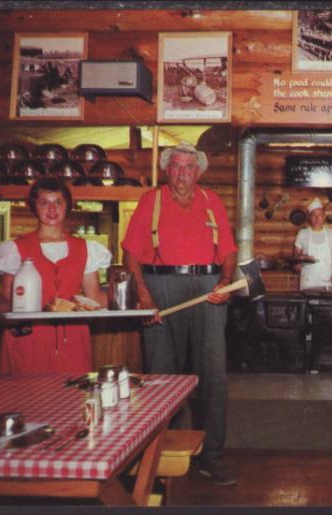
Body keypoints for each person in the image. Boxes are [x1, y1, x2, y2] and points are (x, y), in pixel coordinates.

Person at [122, 141, 238, 486]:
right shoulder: (150, 201)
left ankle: (211, 456)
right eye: (175, 166)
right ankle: (159, 457)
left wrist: (226, 281)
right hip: (162, 289)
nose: (182, 172)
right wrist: (143, 295)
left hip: (207, 288)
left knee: (213, 375)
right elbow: (131, 254)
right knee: (161, 378)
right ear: (166, 170)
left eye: (188, 166)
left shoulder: (211, 201)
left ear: (198, 171)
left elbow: (228, 250)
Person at [0, 176, 111, 373]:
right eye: (44, 203)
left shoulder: (87, 249)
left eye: (58, 202)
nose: (52, 209)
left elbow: (94, 298)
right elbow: (6, 299)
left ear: (68, 206)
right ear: (34, 206)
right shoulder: (15, 249)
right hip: (29, 340)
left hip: (72, 340)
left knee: (72, 399)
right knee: (26, 399)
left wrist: (132, 300)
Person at [293, 197, 332, 291]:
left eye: (320, 215)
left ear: (324, 217)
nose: (317, 219)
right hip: (308, 282)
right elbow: (295, 255)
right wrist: (302, 258)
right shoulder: (302, 233)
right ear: (309, 217)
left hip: (328, 281)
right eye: (314, 215)